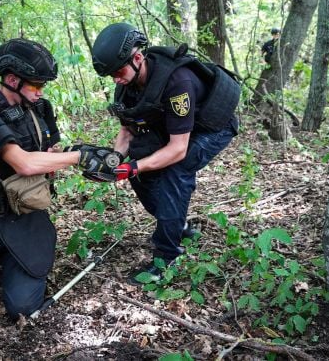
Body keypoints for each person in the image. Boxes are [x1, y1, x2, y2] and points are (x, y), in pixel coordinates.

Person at [0, 38, 113, 323]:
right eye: (36, 85)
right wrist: (77, 158)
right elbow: (23, 163)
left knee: (23, 309)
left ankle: (5, 259)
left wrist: (74, 158)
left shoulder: (41, 109)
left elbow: (50, 154)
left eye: (43, 86)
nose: (41, 92)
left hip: (25, 219)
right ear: (12, 80)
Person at [90, 23, 239, 283]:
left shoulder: (176, 82)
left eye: (118, 71)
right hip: (177, 129)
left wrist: (133, 167)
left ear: (137, 58)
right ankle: (177, 225)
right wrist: (114, 161)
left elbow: (178, 149)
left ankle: (167, 257)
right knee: (139, 164)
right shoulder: (125, 84)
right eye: (110, 74)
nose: (115, 78)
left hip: (212, 127)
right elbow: (127, 132)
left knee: (175, 170)